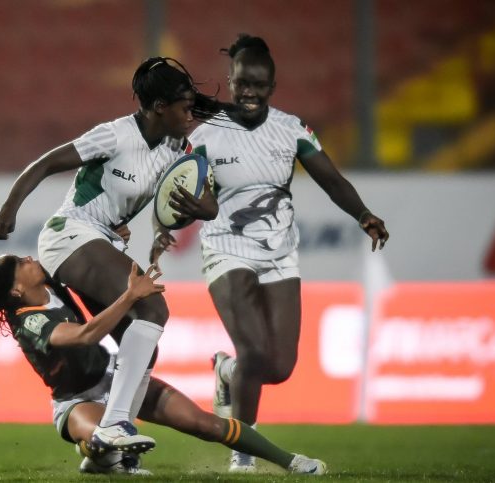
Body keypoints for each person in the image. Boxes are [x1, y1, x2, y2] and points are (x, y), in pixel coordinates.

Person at [151, 34, 390, 473]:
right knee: (255, 351)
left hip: (281, 254)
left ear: (272, 87)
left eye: (259, 85)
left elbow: (331, 180)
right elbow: (172, 188)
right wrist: (165, 227)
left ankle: (227, 373)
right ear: (231, 79)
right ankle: (243, 452)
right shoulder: (204, 134)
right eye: (242, 83)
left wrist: (363, 215)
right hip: (226, 248)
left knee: (278, 367)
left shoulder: (291, 130)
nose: (249, 92)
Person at [0, 57, 227, 455]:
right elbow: (46, 163)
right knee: (153, 308)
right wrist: (8, 210)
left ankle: (109, 449)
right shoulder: (114, 136)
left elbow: (208, 203)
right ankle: (115, 423)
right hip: (70, 234)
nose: (191, 115)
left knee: (145, 343)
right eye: (185, 108)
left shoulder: (179, 148)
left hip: (106, 241)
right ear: (159, 108)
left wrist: (204, 209)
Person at [0, 254, 327, 476]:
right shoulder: (26, 320)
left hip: (116, 378)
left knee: (205, 423)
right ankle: (98, 454)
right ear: (15, 291)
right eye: (21, 264)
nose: (30, 259)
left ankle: (291, 461)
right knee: (100, 435)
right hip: (76, 400)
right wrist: (130, 296)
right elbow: (84, 335)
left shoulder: (52, 283)